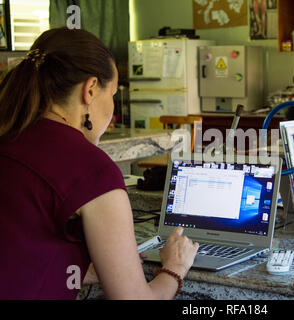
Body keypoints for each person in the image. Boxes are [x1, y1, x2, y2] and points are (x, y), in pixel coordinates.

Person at [0, 27, 199, 300]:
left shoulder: (10, 137)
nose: (113, 107)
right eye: (113, 94)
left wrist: (73, 269)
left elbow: (20, 250)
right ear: (91, 89)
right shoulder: (91, 168)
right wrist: (175, 268)